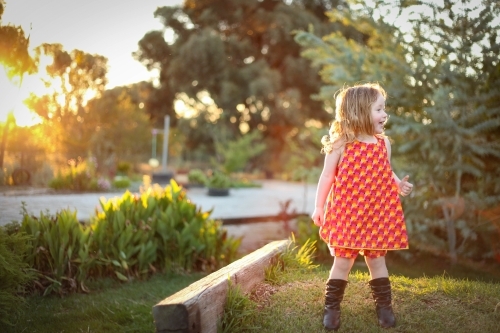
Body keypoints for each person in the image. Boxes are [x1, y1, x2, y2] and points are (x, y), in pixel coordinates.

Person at [311, 83, 413, 331]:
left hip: (376, 214)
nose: (384, 114)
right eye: (379, 109)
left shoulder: (383, 144)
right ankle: (332, 307)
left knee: (377, 261)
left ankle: (384, 307)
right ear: (360, 111)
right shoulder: (341, 144)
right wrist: (319, 207)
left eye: (384, 109)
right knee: (343, 261)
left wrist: (398, 184)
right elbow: (326, 177)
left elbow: (386, 171)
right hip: (348, 214)